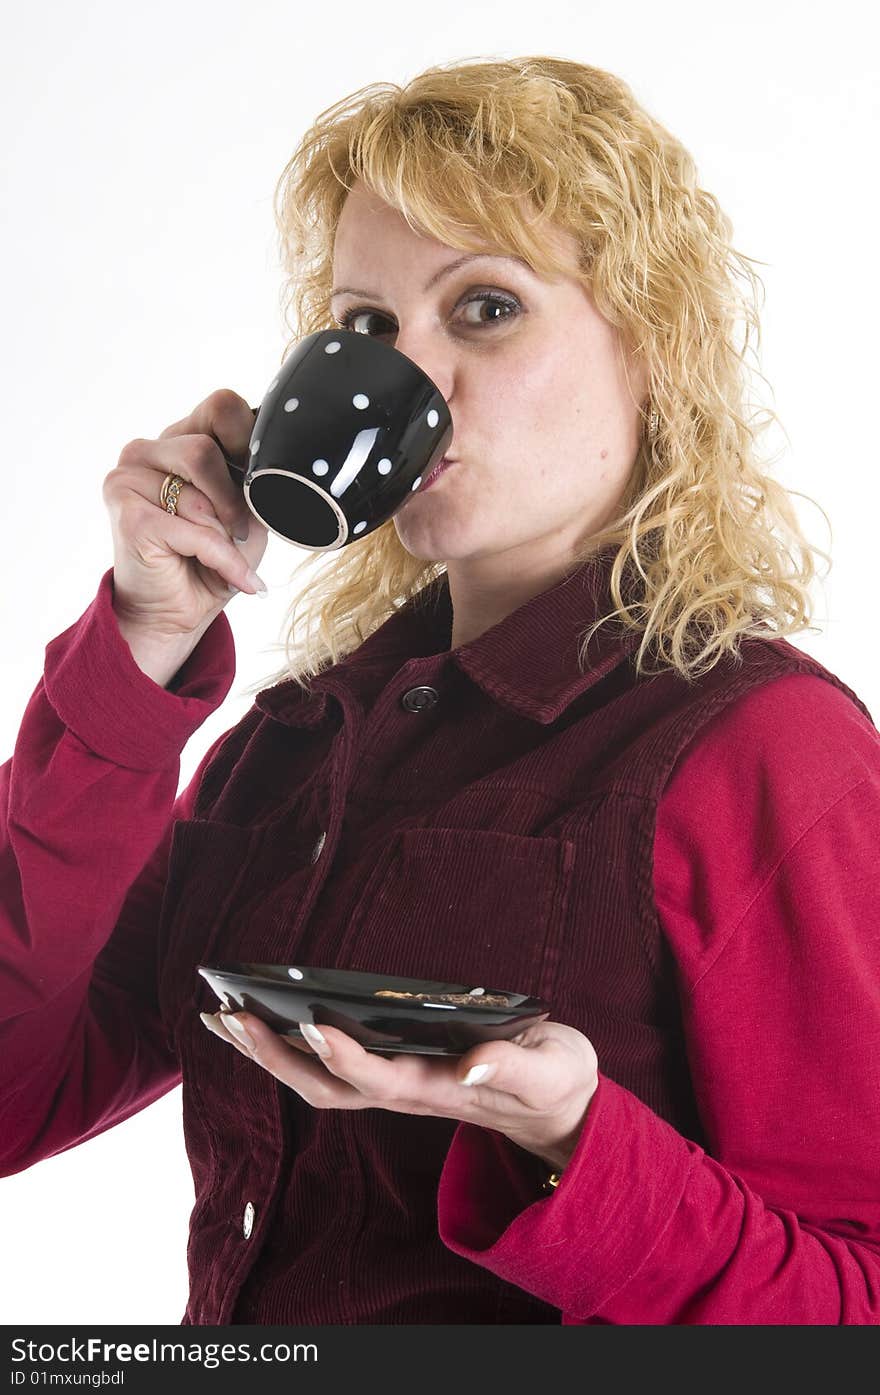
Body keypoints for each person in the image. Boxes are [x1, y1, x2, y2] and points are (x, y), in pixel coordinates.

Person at [2, 54, 879, 1327]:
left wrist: (579, 1140)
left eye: (484, 308)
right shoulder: (293, 752)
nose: (403, 375)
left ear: (651, 350)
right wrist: (139, 652)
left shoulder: (764, 749)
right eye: (364, 327)